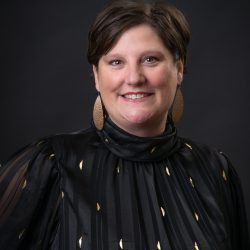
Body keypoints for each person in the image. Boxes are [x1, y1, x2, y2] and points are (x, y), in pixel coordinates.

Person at [0, 0, 249, 249]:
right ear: (97, 76)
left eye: (150, 59)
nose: (134, 78)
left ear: (179, 68)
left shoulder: (216, 170)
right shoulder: (49, 165)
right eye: (116, 62)